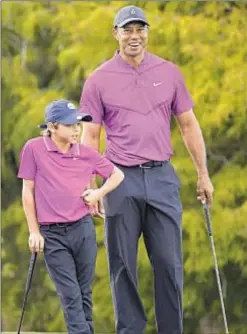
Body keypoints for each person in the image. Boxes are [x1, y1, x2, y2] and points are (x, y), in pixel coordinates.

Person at [79, 5, 214, 334]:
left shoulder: (169, 73)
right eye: (127, 30)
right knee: (123, 265)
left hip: (161, 177)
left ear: (147, 32)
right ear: (116, 33)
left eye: (140, 29)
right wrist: (91, 185)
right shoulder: (98, 80)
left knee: (169, 263)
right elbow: (91, 135)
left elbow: (188, 126)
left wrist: (203, 174)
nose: (134, 36)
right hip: (118, 179)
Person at [17, 99, 124, 334]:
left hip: (82, 229)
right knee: (70, 294)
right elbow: (28, 191)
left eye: (78, 124)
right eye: (70, 125)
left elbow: (117, 175)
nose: (77, 129)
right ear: (52, 127)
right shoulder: (33, 149)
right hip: (52, 234)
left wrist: (98, 193)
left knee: (84, 292)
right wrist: (33, 231)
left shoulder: (86, 154)